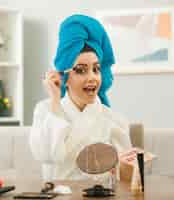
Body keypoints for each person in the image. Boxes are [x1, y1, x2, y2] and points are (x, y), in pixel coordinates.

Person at [29, 14, 132, 181]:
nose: (92, 77)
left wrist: (126, 166)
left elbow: (126, 180)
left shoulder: (115, 121)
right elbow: (47, 155)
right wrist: (55, 101)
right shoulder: (44, 110)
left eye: (96, 69)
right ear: (63, 76)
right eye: (81, 70)